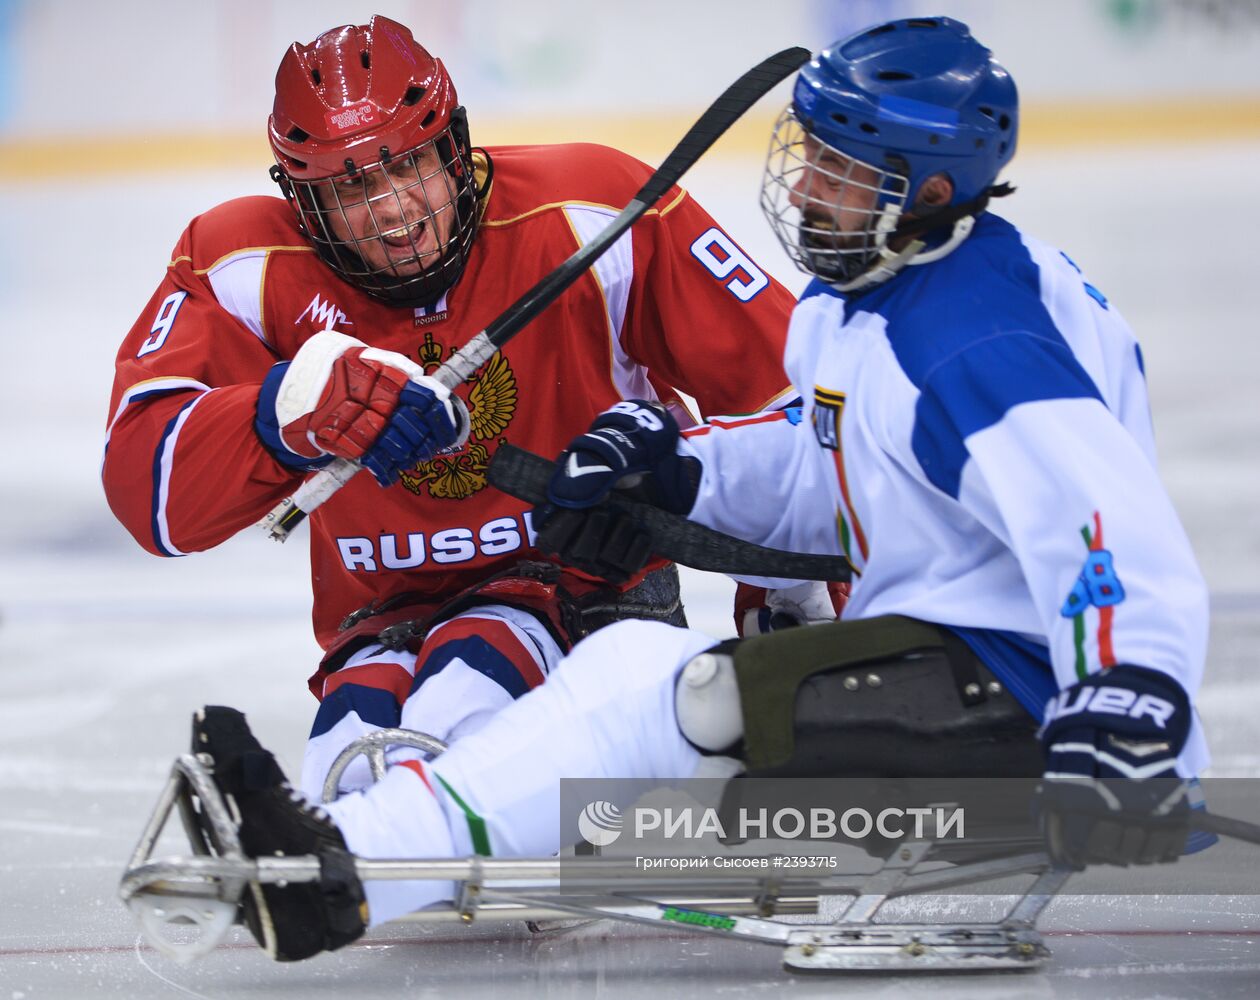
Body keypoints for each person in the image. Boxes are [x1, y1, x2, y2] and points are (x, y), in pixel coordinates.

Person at [182, 16, 1210, 963]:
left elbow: (1104, 522)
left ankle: (344, 872)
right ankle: (365, 853)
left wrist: (1131, 693)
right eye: (808, 157)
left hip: (1024, 700)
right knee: (662, 708)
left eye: (839, 175)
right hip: (944, 658)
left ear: (927, 193)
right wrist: (675, 464)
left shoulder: (973, 339)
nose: (804, 190)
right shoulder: (879, 299)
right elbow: (826, 464)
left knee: (642, 686)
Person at [104, 16, 807, 804]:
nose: (394, 211)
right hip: (385, 616)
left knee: (465, 687)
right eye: (352, 187)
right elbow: (150, 497)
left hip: (590, 593)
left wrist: (786, 601)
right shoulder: (240, 265)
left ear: (453, 144)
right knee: (351, 762)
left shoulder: (590, 210)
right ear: (303, 199)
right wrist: (283, 411)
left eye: (408, 165)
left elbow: (799, 408)